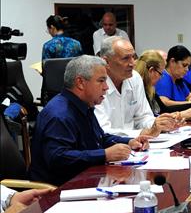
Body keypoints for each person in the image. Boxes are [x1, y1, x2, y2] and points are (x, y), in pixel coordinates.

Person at [29, 55, 150, 186]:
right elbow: (58, 159)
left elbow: (99, 139)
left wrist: (129, 142)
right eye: (101, 81)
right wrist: (104, 155)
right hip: (58, 189)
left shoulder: (84, 105)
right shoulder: (59, 115)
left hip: (83, 179)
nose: (106, 87)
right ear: (80, 83)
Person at [94, 37, 176, 136]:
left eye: (133, 57)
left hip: (138, 141)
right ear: (106, 62)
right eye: (125, 58)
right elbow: (103, 131)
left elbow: (143, 117)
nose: (132, 63)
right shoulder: (95, 85)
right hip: (112, 144)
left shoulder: (135, 78)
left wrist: (159, 125)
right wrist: (143, 133)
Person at [135, 50, 191, 120]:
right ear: (151, 71)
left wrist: (190, 105)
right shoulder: (138, 90)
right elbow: (150, 120)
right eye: (161, 74)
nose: (161, 78)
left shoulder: (149, 88)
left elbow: (164, 109)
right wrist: (180, 115)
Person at [155, 45, 191, 109]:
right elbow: (164, 103)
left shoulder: (178, 79)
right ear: (172, 62)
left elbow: (189, 96)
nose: (187, 69)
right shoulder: (163, 78)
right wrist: (190, 104)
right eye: (184, 65)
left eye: (188, 66)